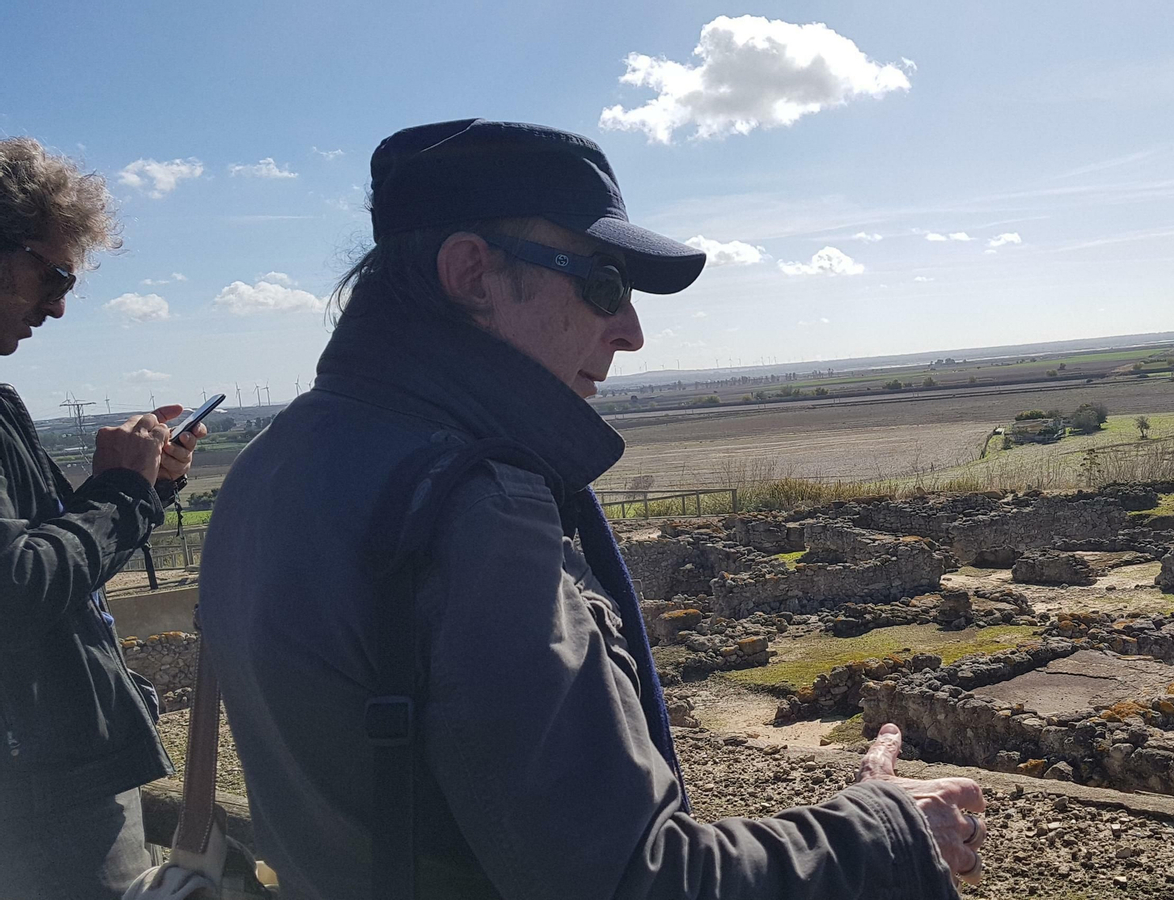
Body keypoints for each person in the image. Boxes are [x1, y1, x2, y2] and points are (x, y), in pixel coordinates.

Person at [201, 119, 986, 899]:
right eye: (604, 284)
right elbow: (637, 884)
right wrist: (883, 829)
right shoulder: (472, 510)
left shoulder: (274, 462)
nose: (633, 332)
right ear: (473, 273)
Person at [0, 137, 207, 899]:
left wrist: (143, 491)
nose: (57, 307)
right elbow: (16, 587)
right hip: (39, 801)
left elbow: (54, 564)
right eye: (53, 276)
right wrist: (119, 493)